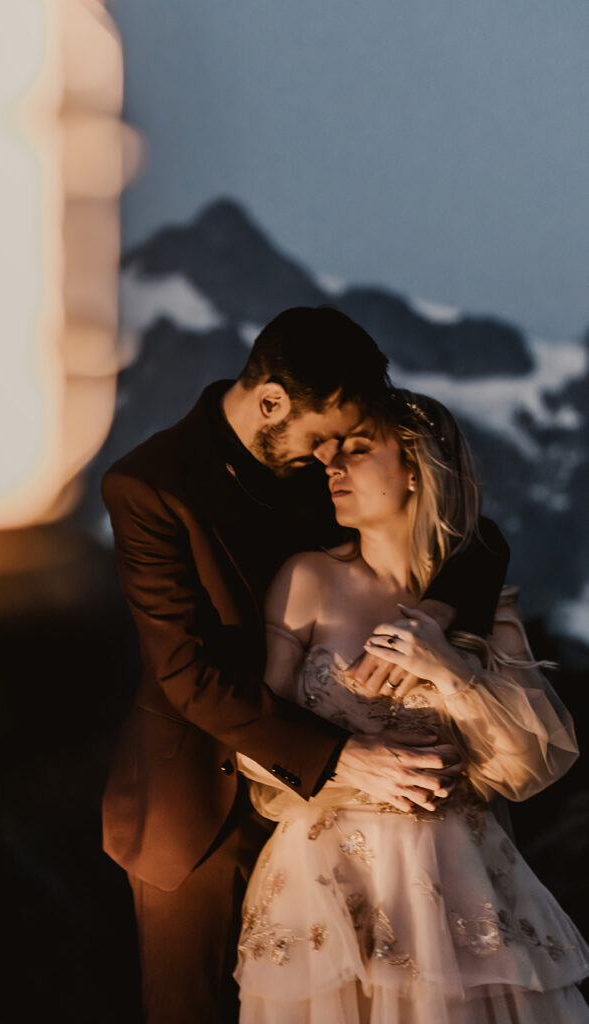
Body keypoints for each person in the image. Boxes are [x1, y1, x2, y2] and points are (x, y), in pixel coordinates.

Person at [100, 307, 509, 1023]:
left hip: (349, 826)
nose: (330, 460)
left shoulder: (324, 470)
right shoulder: (149, 486)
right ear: (269, 403)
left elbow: (471, 535)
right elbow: (187, 674)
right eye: (321, 438)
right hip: (198, 798)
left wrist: (436, 616)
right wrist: (346, 756)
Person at [234, 388, 588, 1023]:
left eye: (358, 451)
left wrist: (446, 668)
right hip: (326, 881)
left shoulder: (486, 609)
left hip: (462, 884)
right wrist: (344, 762)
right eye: (329, 456)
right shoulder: (307, 579)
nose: (333, 467)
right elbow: (249, 740)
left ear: (419, 471)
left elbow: (528, 766)